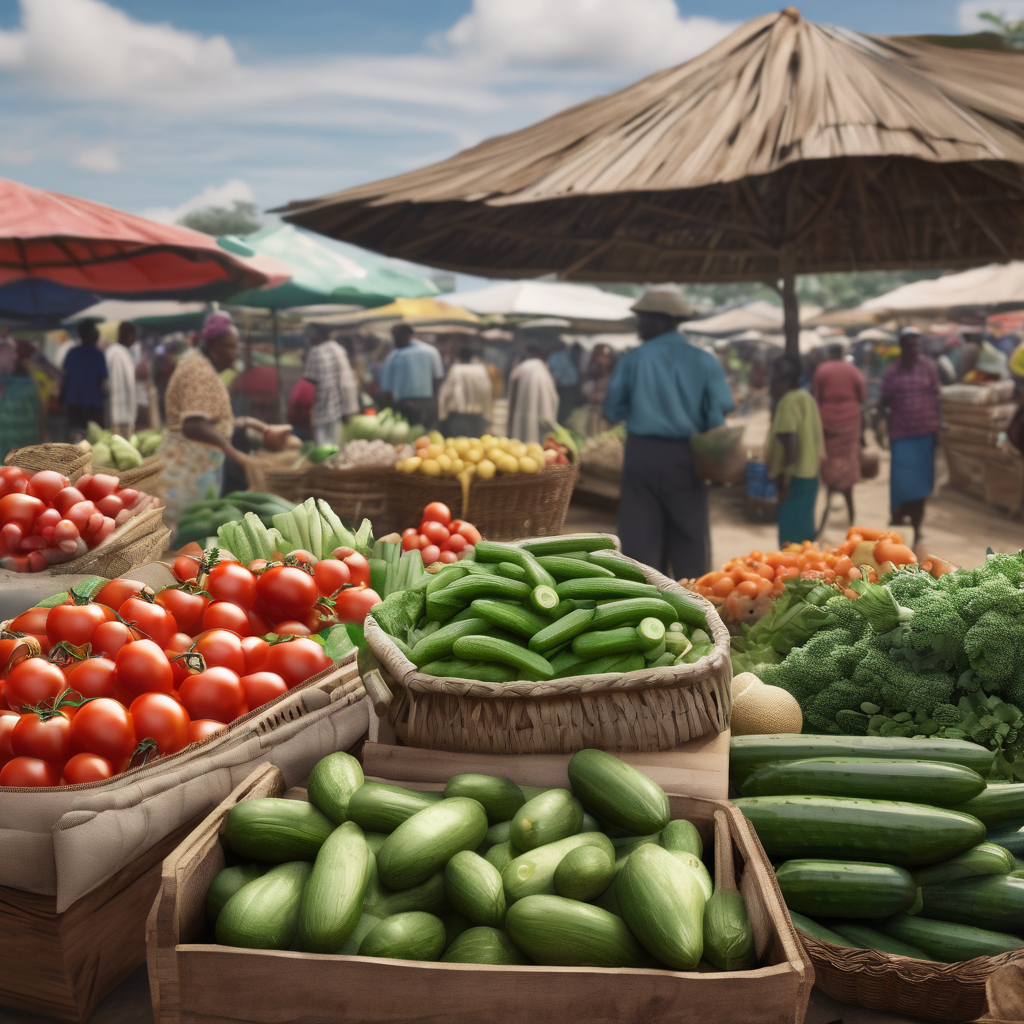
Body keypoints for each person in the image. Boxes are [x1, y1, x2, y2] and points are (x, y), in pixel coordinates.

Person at [603, 288, 734, 578]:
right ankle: (695, 601)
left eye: (643, 319)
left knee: (640, 537)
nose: (639, 325)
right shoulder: (704, 360)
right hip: (688, 457)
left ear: (662, 320)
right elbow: (718, 415)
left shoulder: (634, 359)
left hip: (642, 455)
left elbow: (612, 410)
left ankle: (648, 604)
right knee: (689, 536)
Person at [158, 312, 276, 532]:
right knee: (186, 531)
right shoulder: (199, 370)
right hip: (189, 468)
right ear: (214, 346)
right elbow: (193, 425)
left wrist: (247, 423)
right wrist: (234, 453)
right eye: (230, 346)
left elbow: (208, 416)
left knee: (192, 531)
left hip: (196, 464)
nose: (235, 353)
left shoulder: (199, 364)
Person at [880, 327, 941, 548]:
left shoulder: (928, 367)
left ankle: (917, 525)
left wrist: (939, 427)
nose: (914, 349)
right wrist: (880, 426)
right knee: (901, 480)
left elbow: (936, 397)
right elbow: (883, 400)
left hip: (925, 432)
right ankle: (898, 517)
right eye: (910, 345)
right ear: (902, 347)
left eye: (917, 345)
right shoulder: (892, 371)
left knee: (922, 482)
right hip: (901, 433)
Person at [768, 356, 825, 547]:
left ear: (787, 381)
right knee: (805, 534)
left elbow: (790, 447)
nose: (772, 387)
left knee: (790, 540)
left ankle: (793, 575)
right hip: (810, 474)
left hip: (793, 477)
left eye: (775, 382)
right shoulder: (806, 398)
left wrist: (783, 481)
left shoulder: (788, 402)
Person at [813, 342, 867, 529]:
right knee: (849, 457)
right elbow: (863, 396)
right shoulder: (852, 370)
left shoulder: (822, 369)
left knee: (830, 459)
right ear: (842, 353)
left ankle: (830, 493)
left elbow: (817, 397)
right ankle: (848, 504)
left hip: (827, 419)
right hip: (850, 419)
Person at [380, 323, 444, 429]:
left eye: (397, 338)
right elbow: (438, 378)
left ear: (410, 335)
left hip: (405, 404)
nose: (395, 341)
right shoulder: (431, 351)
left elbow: (386, 388)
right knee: (426, 437)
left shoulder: (394, 356)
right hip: (425, 403)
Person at [302, 329, 359, 446]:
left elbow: (309, 379)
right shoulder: (338, 349)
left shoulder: (316, 351)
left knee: (322, 442)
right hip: (339, 403)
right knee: (336, 440)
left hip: (322, 402)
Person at [61, 320, 107, 441]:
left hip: (77, 402)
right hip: (91, 403)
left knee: (76, 435)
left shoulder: (73, 353)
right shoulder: (98, 355)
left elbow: (65, 377)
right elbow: (104, 381)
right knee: (93, 437)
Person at [507, 344, 559, 445]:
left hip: (522, 414)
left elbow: (512, 394)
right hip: (543, 414)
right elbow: (554, 397)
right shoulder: (543, 368)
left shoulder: (521, 368)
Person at [437, 346, 494, 437]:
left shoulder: (456, 369)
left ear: (459, 356)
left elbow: (445, 392)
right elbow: (486, 392)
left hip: (456, 417)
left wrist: (442, 415)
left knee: (455, 446)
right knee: (475, 447)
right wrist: (488, 416)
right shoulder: (480, 370)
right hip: (476, 418)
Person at [106, 321, 138, 438]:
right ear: (127, 335)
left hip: (126, 408)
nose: (135, 339)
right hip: (117, 409)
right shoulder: (115, 352)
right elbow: (114, 382)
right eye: (133, 335)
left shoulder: (124, 352)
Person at [582, 343, 616, 436]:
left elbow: (617, 392)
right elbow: (586, 388)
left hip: (609, 413)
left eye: (605, 356)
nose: (602, 360)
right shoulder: (593, 370)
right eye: (599, 356)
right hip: (594, 411)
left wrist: (603, 396)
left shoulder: (615, 373)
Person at [547, 341, 582, 425]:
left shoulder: (556, 356)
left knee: (562, 409)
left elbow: (555, 374)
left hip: (565, 387)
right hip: (568, 386)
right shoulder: (565, 355)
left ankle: (561, 423)